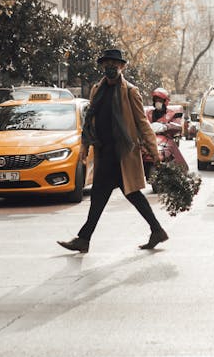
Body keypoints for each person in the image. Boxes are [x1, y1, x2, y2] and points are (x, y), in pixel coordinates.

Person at [58, 47, 168, 254]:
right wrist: (85, 146)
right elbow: (89, 119)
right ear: (102, 66)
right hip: (105, 152)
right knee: (120, 195)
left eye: (114, 65)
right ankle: (156, 230)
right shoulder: (97, 89)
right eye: (107, 65)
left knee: (109, 195)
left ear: (122, 67)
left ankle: (84, 239)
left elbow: (142, 122)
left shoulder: (130, 91)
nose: (110, 68)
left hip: (123, 153)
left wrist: (154, 151)